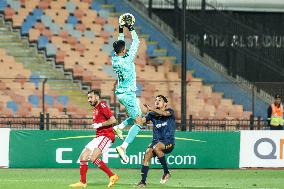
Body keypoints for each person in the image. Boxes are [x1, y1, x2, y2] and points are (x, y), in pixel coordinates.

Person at [69, 90, 119, 188]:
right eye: (88, 98)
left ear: (96, 97)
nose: (89, 100)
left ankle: (112, 176)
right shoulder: (95, 108)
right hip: (99, 136)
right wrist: (97, 125)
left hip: (106, 136)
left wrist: (100, 124)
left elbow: (113, 120)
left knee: (93, 158)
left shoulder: (102, 105)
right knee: (83, 157)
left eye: (90, 97)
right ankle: (82, 182)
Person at [111, 13, 143, 163]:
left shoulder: (115, 58)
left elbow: (120, 42)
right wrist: (130, 28)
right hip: (128, 94)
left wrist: (120, 28)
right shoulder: (128, 59)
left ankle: (121, 126)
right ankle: (123, 147)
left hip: (121, 93)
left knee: (140, 114)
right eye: (125, 49)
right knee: (139, 122)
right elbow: (136, 41)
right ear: (124, 50)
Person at [136, 95, 176, 187]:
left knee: (156, 147)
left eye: (160, 100)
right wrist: (135, 114)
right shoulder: (151, 114)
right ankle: (143, 182)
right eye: (156, 100)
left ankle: (166, 172)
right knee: (147, 154)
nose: (157, 101)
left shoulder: (170, 111)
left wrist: (152, 109)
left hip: (168, 141)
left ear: (165, 104)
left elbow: (164, 114)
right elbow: (141, 122)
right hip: (156, 142)